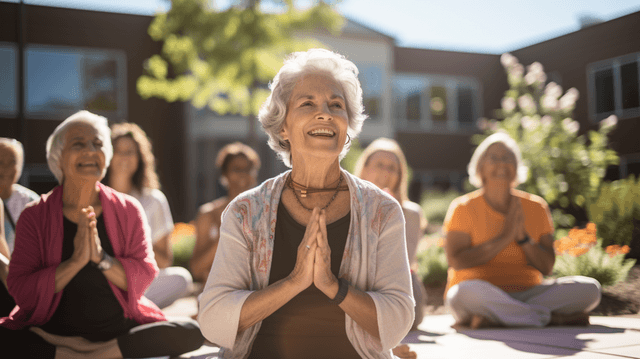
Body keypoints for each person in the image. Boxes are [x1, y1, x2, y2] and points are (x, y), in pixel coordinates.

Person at [198, 49, 414, 359]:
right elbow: (214, 320)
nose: (324, 113)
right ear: (282, 126)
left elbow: (397, 322)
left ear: (347, 126)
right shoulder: (246, 211)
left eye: (335, 105)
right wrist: (294, 282)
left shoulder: (382, 210)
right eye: (307, 103)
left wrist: (332, 286)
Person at [0, 111, 204, 358]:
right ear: (59, 158)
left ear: (106, 157)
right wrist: (74, 263)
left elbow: (145, 276)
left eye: (98, 144)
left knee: (188, 331)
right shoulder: (34, 215)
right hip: (52, 330)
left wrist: (101, 258)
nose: (90, 151)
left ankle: (85, 355)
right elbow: (21, 290)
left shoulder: (128, 210)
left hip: (116, 330)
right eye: (78, 144)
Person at [443, 131, 601, 329]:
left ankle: (500, 317)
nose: (501, 163)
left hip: (528, 292)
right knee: (462, 294)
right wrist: (504, 237)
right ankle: (551, 319)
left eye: (507, 158)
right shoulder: (462, 207)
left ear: (517, 168)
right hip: (479, 292)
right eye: (494, 158)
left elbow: (547, 267)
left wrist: (523, 239)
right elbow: (456, 261)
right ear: (480, 168)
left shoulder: (536, 207)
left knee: (590, 290)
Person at [105, 122, 193, 309]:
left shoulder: (154, 200)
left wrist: (136, 241)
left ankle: (126, 309)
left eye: (130, 151)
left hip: (139, 280)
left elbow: (164, 261)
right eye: (118, 151)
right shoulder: (95, 195)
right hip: (105, 277)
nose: (124, 157)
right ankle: (130, 309)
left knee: (181, 279)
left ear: (140, 157)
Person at [354, 137, 428, 331]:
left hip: (398, 289)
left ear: (399, 175)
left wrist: (387, 213)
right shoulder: (347, 206)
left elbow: (401, 262)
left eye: (392, 168)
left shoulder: (412, 213)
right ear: (364, 168)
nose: (386, 172)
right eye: (379, 165)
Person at [191, 142, 261, 283]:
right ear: (224, 174)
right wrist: (227, 234)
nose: (243, 174)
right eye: (236, 169)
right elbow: (196, 269)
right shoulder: (208, 214)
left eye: (248, 169)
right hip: (218, 288)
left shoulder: (265, 211)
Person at [0, 138, 40, 316]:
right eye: (0, 162)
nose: (5, 168)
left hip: (22, 284)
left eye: (12, 162)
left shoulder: (31, 202)